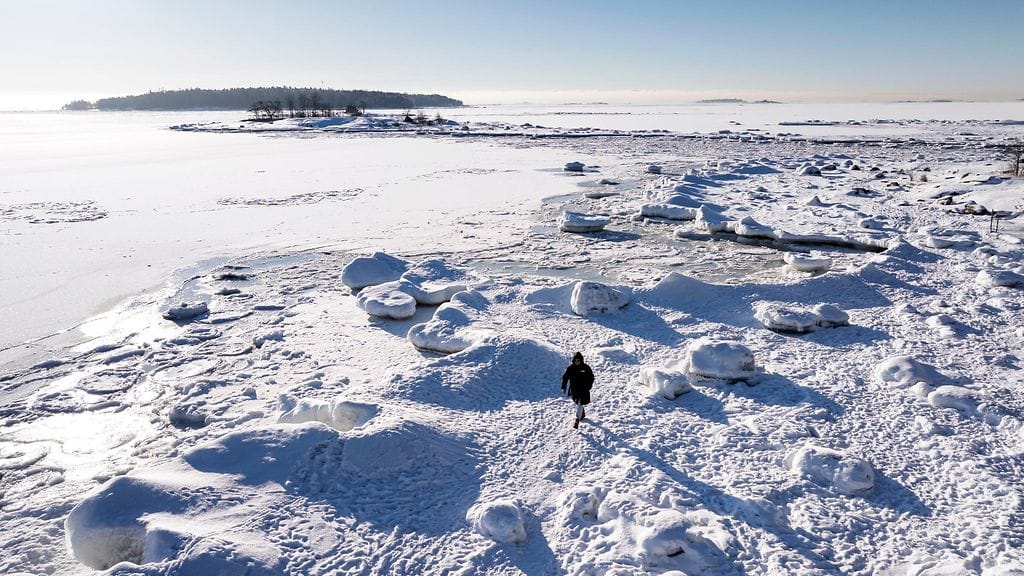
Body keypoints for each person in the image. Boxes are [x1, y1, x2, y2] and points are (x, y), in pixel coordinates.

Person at [561, 352, 594, 429]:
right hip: (574, 389)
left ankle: (577, 419)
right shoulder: (570, 369)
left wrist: (589, 385)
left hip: (584, 389)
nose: (577, 362)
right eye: (575, 361)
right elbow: (565, 377)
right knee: (578, 402)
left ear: (581, 360)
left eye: (578, 360)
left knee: (580, 402)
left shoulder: (586, 368)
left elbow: (591, 377)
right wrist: (564, 386)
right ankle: (582, 413)